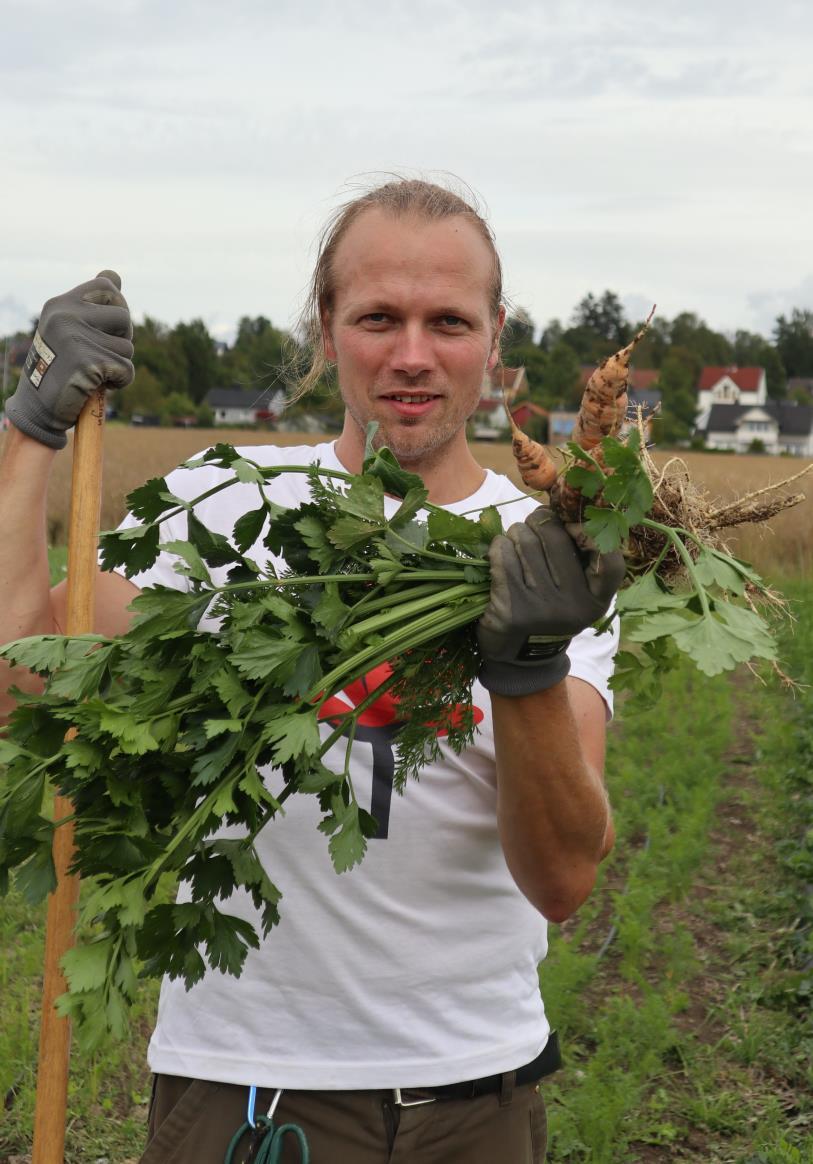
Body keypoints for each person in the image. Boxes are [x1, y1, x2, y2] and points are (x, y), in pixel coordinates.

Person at [0, 178, 624, 1164]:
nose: (412, 354)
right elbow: (21, 682)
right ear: (326, 329)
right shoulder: (215, 508)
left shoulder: (544, 553)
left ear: (495, 339)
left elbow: (560, 875)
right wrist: (29, 430)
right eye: (378, 316)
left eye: (448, 321)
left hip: (472, 1095)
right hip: (243, 1093)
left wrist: (529, 664)